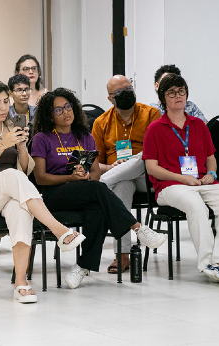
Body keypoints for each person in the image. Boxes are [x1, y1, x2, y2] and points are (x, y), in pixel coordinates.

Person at [0, 80, 88, 304]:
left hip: (8, 194)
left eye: (6, 102)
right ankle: (59, 230)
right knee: (10, 175)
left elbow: (25, 169)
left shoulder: (10, 126)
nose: (3, 107)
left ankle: (21, 283)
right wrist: (0, 146)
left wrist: (21, 147)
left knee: (21, 208)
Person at [31, 87, 166, 289]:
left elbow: (95, 173)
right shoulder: (42, 138)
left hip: (83, 191)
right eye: (58, 110)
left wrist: (84, 177)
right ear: (49, 115)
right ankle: (138, 228)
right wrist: (70, 177)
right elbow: (40, 178)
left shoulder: (84, 136)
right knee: (98, 190)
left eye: (67, 107)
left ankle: (82, 267)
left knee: (98, 207)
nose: (65, 112)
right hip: (54, 195)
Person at [143, 73, 219, 286]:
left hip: (201, 182)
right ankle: (207, 263)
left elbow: (211, 158)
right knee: (196, 206)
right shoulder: (154, 129)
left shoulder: (199, 125)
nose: (178, 96)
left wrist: (211, 174)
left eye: (181, 91)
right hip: (170, 186)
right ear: (163, 99)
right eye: (172, 93)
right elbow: (152, 168)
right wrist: (182, 178)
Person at [91, 75, 160, 274]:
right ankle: (122, 254)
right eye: (120, 93)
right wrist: (113, 168)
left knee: (142, 156)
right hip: (118, 176)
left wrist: (126, 164)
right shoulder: (101, 122)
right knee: (122, 185)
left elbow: (156, 153)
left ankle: (99, 186)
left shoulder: (151, 114)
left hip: (148, 176)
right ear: (110, 98)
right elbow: (96, 163)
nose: (127, 94)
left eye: (129, 89)